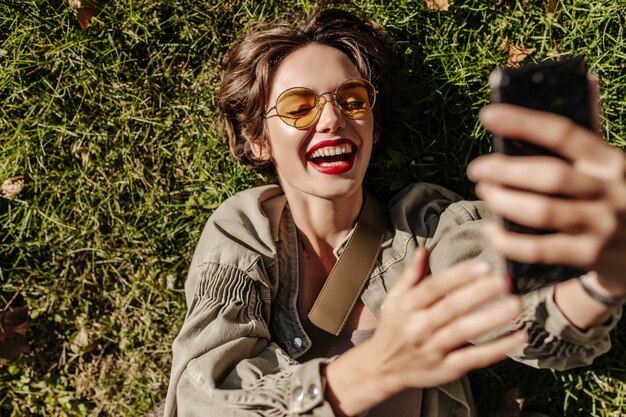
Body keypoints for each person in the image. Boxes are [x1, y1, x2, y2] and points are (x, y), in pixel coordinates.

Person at [164, 3, 626, 417]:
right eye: (299, 107)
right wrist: (376, 367)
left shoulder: (425, 234)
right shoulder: (246, 229)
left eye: (352, 100)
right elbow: (201, 401)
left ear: (373, 127)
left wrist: (604, 279)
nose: (332, 118)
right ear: (258, 140)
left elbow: (526, 310)